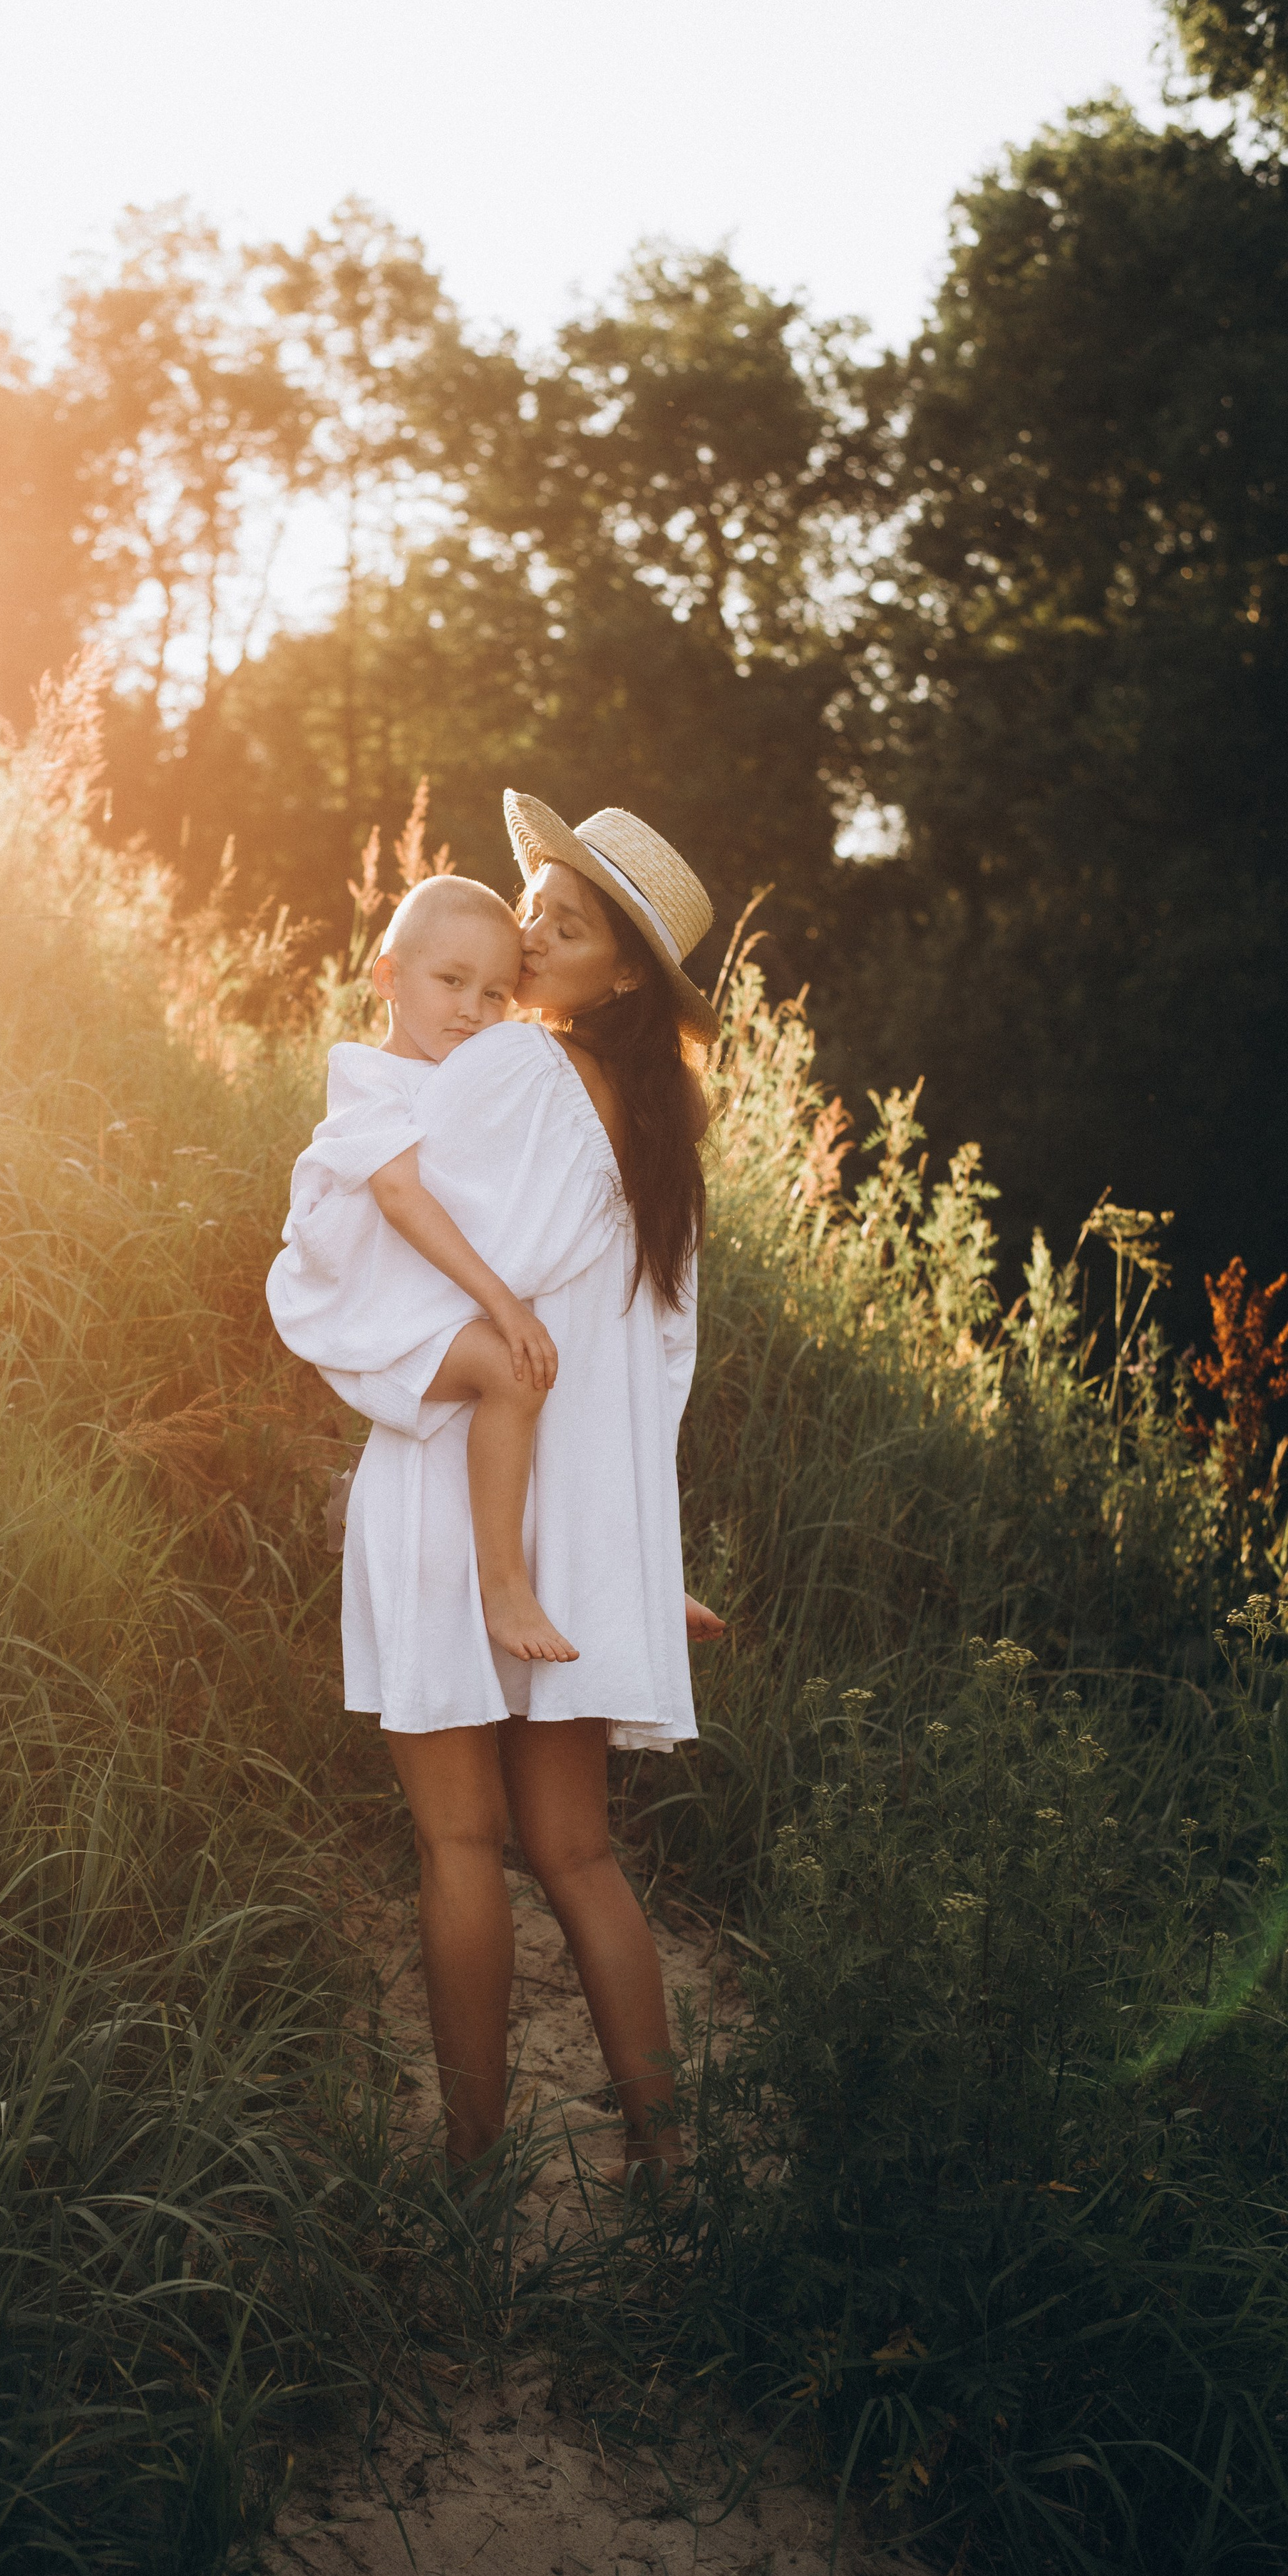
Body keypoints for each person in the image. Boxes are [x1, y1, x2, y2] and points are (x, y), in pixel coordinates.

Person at [333, 793, 728, 2184]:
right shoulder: (660, 1141)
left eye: (566, 927)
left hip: (456, 1488)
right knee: (578, 1855)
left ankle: (469, 2172)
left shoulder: (511, 1068)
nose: (532, 937)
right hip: (576, 1533)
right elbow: (652, 1371)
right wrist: (638, 1560)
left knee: (459, 1842)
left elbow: (375, 1225)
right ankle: (672, 2171)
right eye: (532, 912)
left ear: (620, 975)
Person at [267, 873, 578, 1663]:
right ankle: (503, 1588)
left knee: (568, 1373)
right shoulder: (368, 1077)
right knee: (515, 1372)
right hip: (377, 1311)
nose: (472, 1009)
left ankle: (630, 1571)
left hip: (429, 1300)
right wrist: (504, 1304)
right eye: (451, 981)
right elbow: (401, 1196)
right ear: (388, 978)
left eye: (496, 993)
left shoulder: (477, 1078)